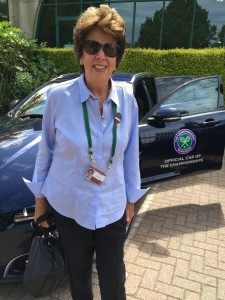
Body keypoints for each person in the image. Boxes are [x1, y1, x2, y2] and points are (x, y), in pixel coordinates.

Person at [24, 4, 148, 300]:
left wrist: (131, 199)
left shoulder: (128, 99)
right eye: (92, 46)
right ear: (80, 54)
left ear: (117, 59)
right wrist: (40, 203)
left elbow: (131, 153)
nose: (101, 55)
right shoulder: (58, 98)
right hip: (69, 208)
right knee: (78, 281)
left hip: (113, 207)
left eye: (110, 48)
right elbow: (46, 152)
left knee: (114, 281)